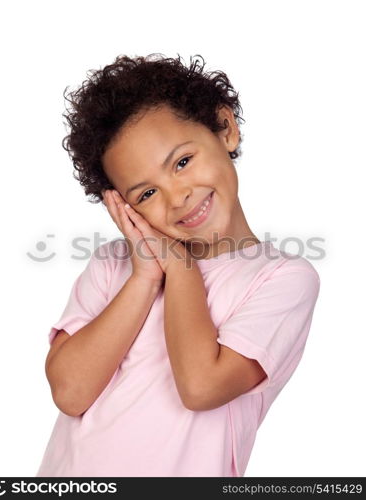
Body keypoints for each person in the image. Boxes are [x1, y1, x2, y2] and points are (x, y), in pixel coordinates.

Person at [36, 53, 320, 477]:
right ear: (123, 206)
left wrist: (182, 269)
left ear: (225, 129)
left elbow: (201, 386)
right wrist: (146, 276)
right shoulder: (114, 265)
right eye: (146, 194)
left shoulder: (282, 278)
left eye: (183, 162)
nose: (178, 197)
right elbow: (71, 392)